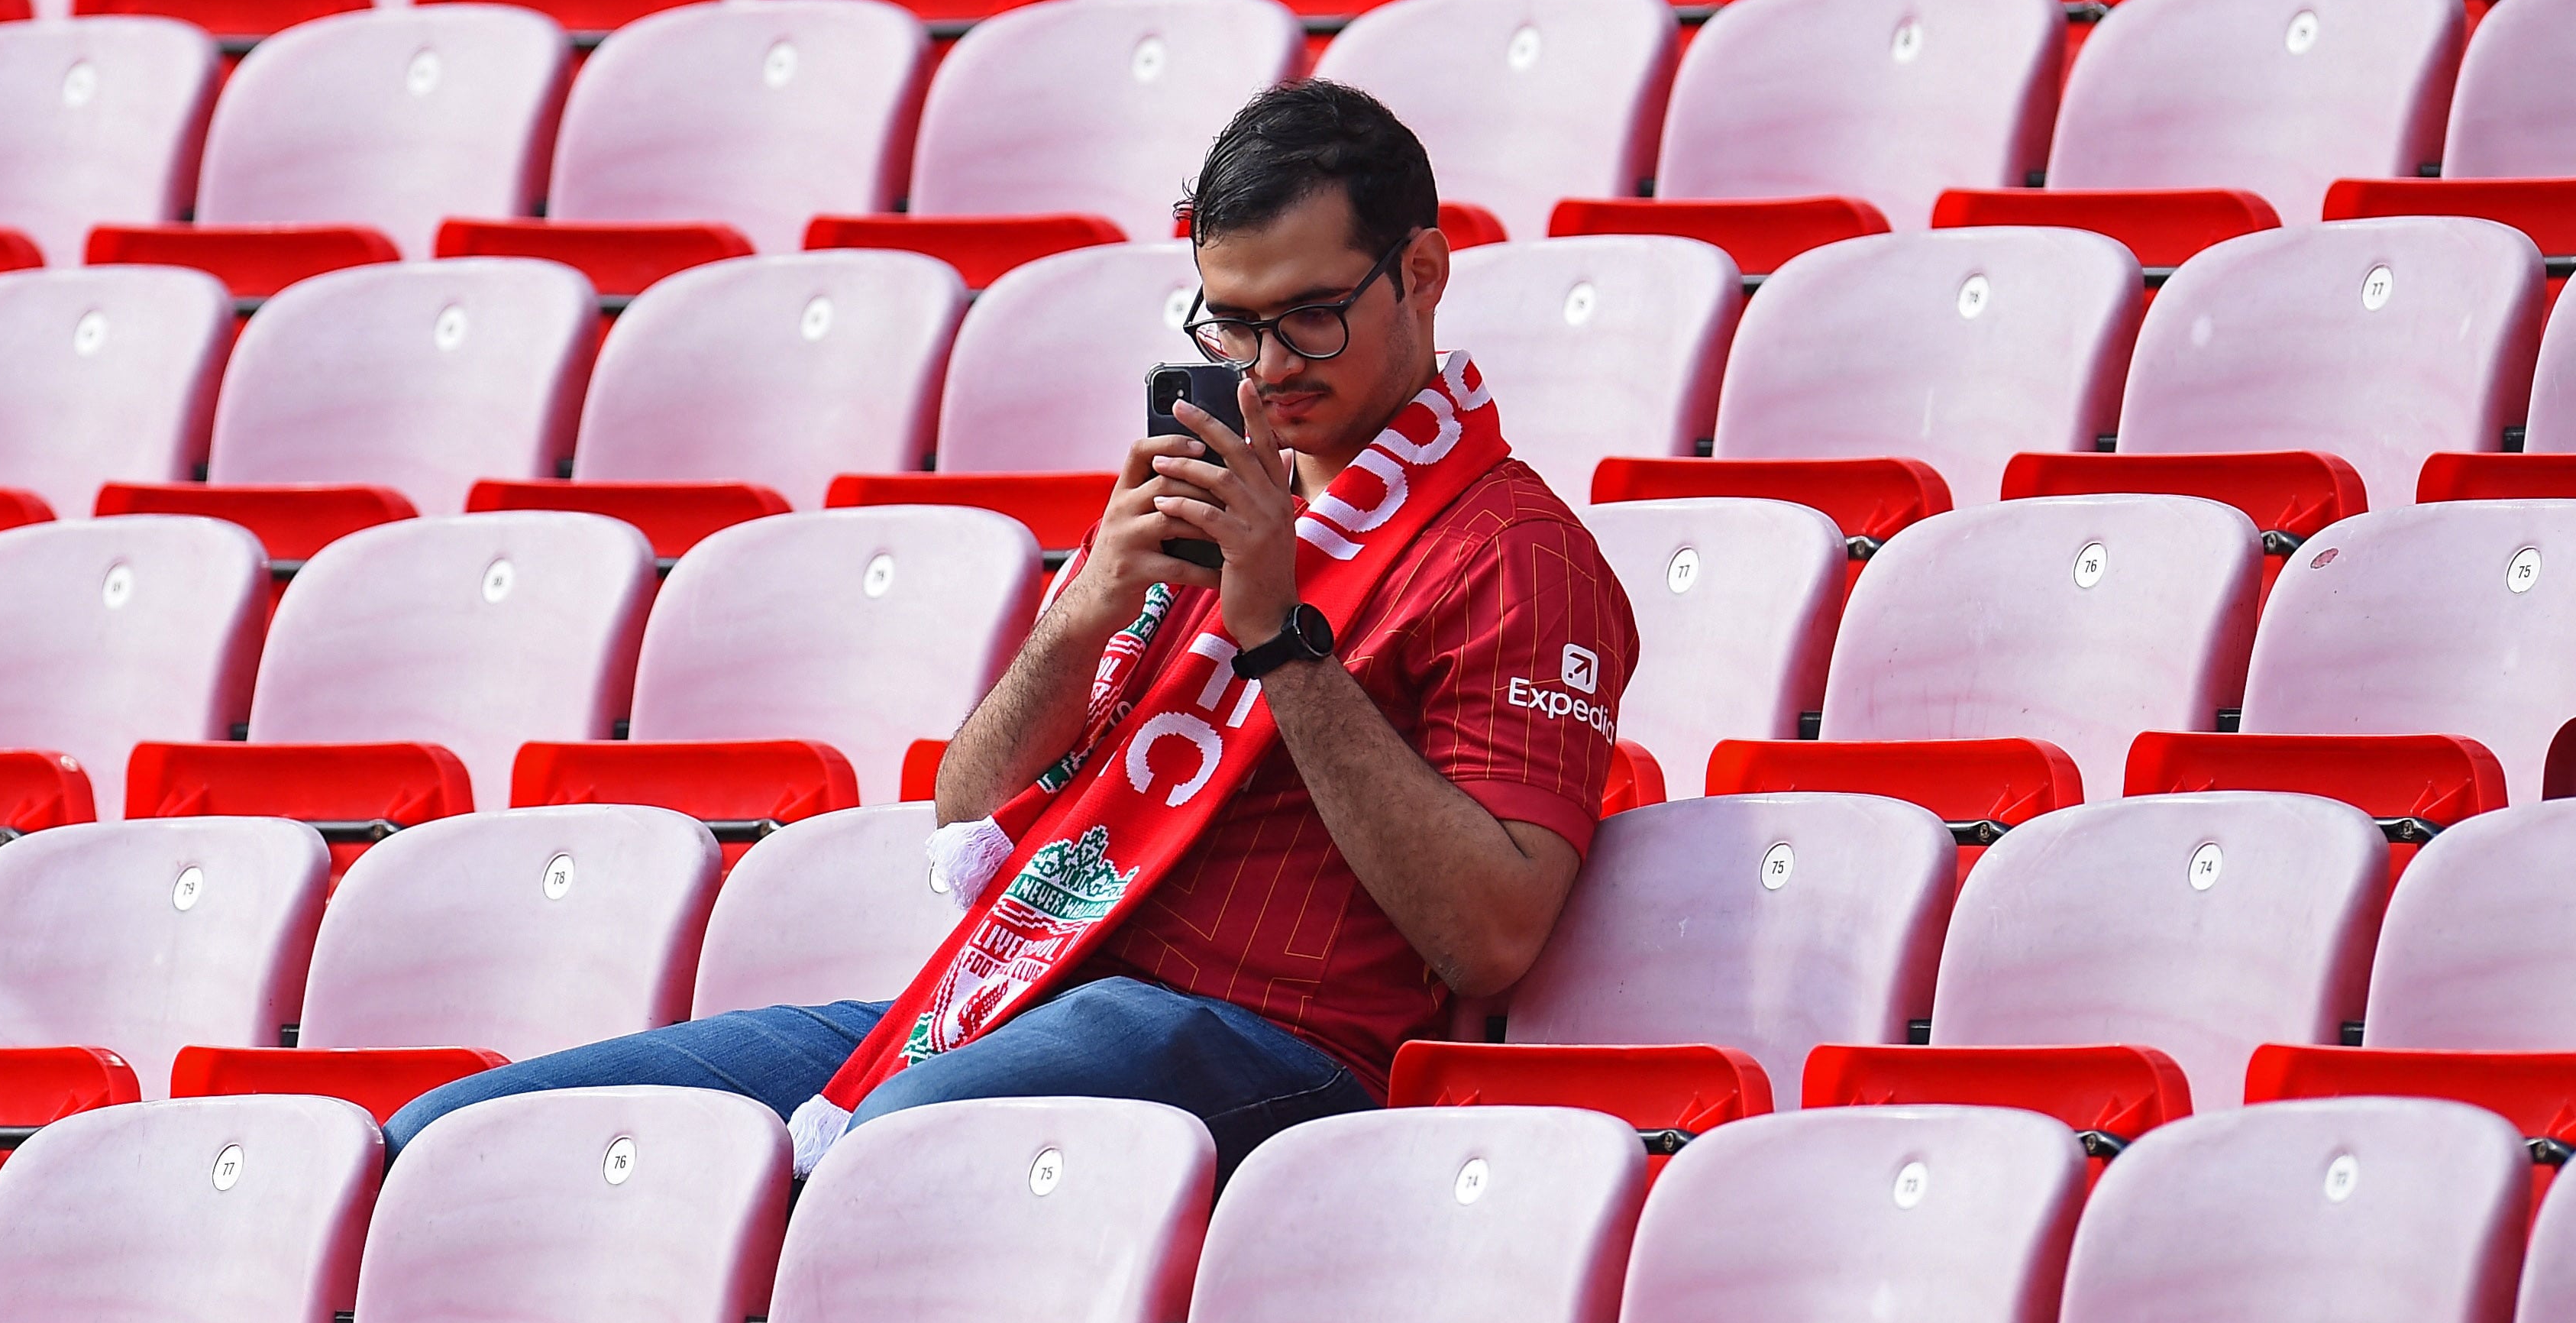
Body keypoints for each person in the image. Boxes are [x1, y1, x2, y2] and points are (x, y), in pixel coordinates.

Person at [382, 78, 1639, 1166]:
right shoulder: (1203, 492)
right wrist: (1092, 605)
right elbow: (967, 811)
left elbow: (1492, 934)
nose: (1264, 368)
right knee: (455, 1135)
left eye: (1308, 314)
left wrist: (1279, 635)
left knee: (894, 1150)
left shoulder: (1522, 561)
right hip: (1015, 986)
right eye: (1231, 324)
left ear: (1421, 274)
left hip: (1275, 1042)